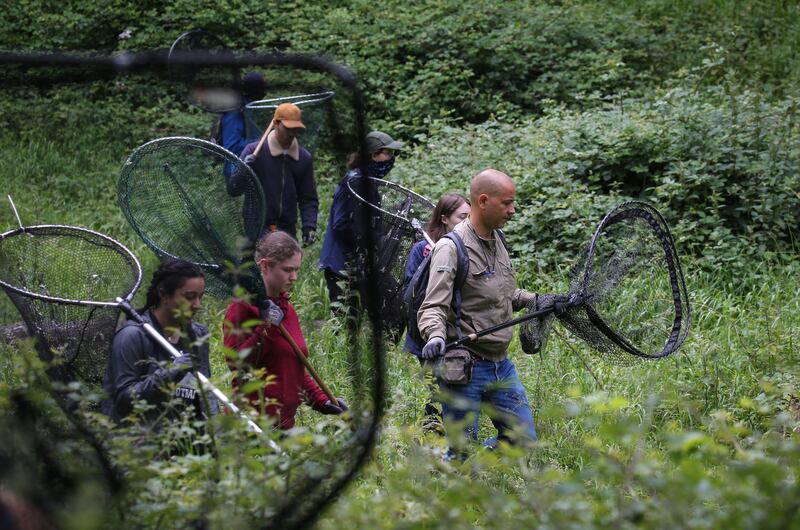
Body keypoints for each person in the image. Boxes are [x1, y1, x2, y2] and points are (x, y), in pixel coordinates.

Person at [417, 169, 537, 452]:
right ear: (483, 201)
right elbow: (433, 306)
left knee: (523, 440)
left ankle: (467, 465)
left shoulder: (499, 241)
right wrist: (435, 336)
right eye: (506, 203)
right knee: (462, 450)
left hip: (501, 365)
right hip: (464, 367)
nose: (513, 210)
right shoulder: (451, 248)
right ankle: (454, 473)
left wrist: (537, 300)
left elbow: (503, 294)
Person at [223, 230, 347, 429]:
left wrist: (322, 401)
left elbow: (293, 366)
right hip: (250, 426)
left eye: (297, 269)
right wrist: (264, 327)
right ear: (265, 266)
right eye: (288, 270)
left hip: (283, 426)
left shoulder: (286, 308)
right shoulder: (242, 307)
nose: (294, 277)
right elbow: (237, 365)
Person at [103, 259, 217, 425]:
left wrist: (219, 435)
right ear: (163, 295)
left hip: (187, 442)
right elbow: (124, 401)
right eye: (190, 297)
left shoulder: (197, 336)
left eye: (200, 297)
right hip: (140, 441)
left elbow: (206, 393)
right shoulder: (132, 336)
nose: (197, 305)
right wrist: (170, 373)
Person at [402, 193, 470, 434]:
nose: (467, 222)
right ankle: (433, 432)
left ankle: (445, 433)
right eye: (462, 217)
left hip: (457, 331)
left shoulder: (466, 247)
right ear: (444, 218)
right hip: (426, 332)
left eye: (469, 216)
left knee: (457, 389)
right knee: (439, 388)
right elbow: (411, 290)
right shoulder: (422, 248)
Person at [318, 130, 404, 309]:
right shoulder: (353, 182)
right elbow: (342, 224)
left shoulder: (368, 182)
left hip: (357, 265)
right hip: (341, 265)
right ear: (374, 155)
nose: (392, 158)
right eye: (388, 153)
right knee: (344, 324)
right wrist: (377, 238)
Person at [238, 103, 319, 244]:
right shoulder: (253, 151)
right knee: (254, 265)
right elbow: (234, 189)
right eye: (288, 129)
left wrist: (309, 226)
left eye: (296, 129)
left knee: (286, 265)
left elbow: (308, 197)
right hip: (256, 226)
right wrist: (243, 170)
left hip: (287, 229)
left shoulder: (303, 158)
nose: (292, 134)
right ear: (275, 123)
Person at [218, 71, 268, 157]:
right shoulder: (235, 111)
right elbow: (231, 148)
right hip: (235, 167)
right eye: (263, 92)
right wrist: (259, 143)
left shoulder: (249, 108)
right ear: (257, 93)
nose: (264, 95)